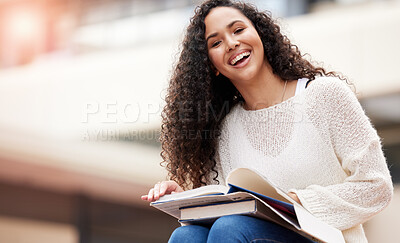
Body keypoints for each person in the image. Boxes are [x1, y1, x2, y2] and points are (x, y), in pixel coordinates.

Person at [141, 0, 393, 242]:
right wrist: (185, 198)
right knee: (187, 236)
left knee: (232, 227)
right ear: (212, 66)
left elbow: (376, 186)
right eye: (216, 43)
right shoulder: (227, 129)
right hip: (248, 236)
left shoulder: (324, 95)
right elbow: (218, 216)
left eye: (238, 30)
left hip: (325, 240)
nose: (231, 43)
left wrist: (294, 201)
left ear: (260, 34)